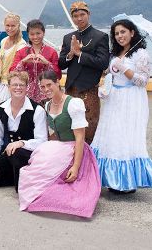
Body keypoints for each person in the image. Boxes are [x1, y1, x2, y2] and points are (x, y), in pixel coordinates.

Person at [18, 70, 101, 218]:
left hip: (74, 148)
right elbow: (53, 135)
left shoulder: (73, 103)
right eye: (42, 87)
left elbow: (80, 137)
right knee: (33, 169)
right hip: (58, 146)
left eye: (49, 85)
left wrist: (75, 167)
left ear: (58, 82)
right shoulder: (48, 104)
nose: (46, 89)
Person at [92, 19, 152, 194]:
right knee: (111, 135)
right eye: (116, 33)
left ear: (132, 32)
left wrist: (124, 69)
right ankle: (108, 178)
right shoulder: (115, 53)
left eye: (123, 32)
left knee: (126, 136)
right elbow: (110, 76)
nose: (120, 36)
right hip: (114, 98)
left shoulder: (141, 54)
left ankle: (126, 181)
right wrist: (105, 87)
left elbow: (142, 81)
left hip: (131, 100)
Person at [0, 71, 47, 190]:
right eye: (14, 85)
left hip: (30, 156)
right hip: (9, 155)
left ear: (26, 87)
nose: (18, 88)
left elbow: (42, 141)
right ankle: (15, 178)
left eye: (21, 85)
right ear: (9, 87)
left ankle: (23, 180)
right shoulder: (1, 108)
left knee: (17, 152)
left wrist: (22, 143)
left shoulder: (37, 110)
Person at [58, 1, 109, 144]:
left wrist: (80, 54)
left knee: (88, 130)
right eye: (75, 16)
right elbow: (61, 64)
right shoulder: (68, 37)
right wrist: (70, 54)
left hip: (89, 90)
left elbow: (103, 63)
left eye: (82, 14)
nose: (79, 18)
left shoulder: (100, 37)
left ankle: (88, 162)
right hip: (70, 90)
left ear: (88, 14)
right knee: (68, 128)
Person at [11, 19, 60, 104]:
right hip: (25, 94)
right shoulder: (21, 52)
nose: (35, 37)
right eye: (32, 34)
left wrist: (47, 63)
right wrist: (23, 61)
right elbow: (12, 72)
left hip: (46, 94)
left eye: (38, 33)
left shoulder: (52, 52)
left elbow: (58, 75)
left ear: (43, 33)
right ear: (28, 35)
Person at [0, 12, 27, 102]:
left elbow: (20, 67)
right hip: (1, 82)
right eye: (7, 25)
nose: (10, 28)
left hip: (13, 84)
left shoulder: (21, 44)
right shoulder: (3, 41)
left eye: (13, 26)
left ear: (18, 26)